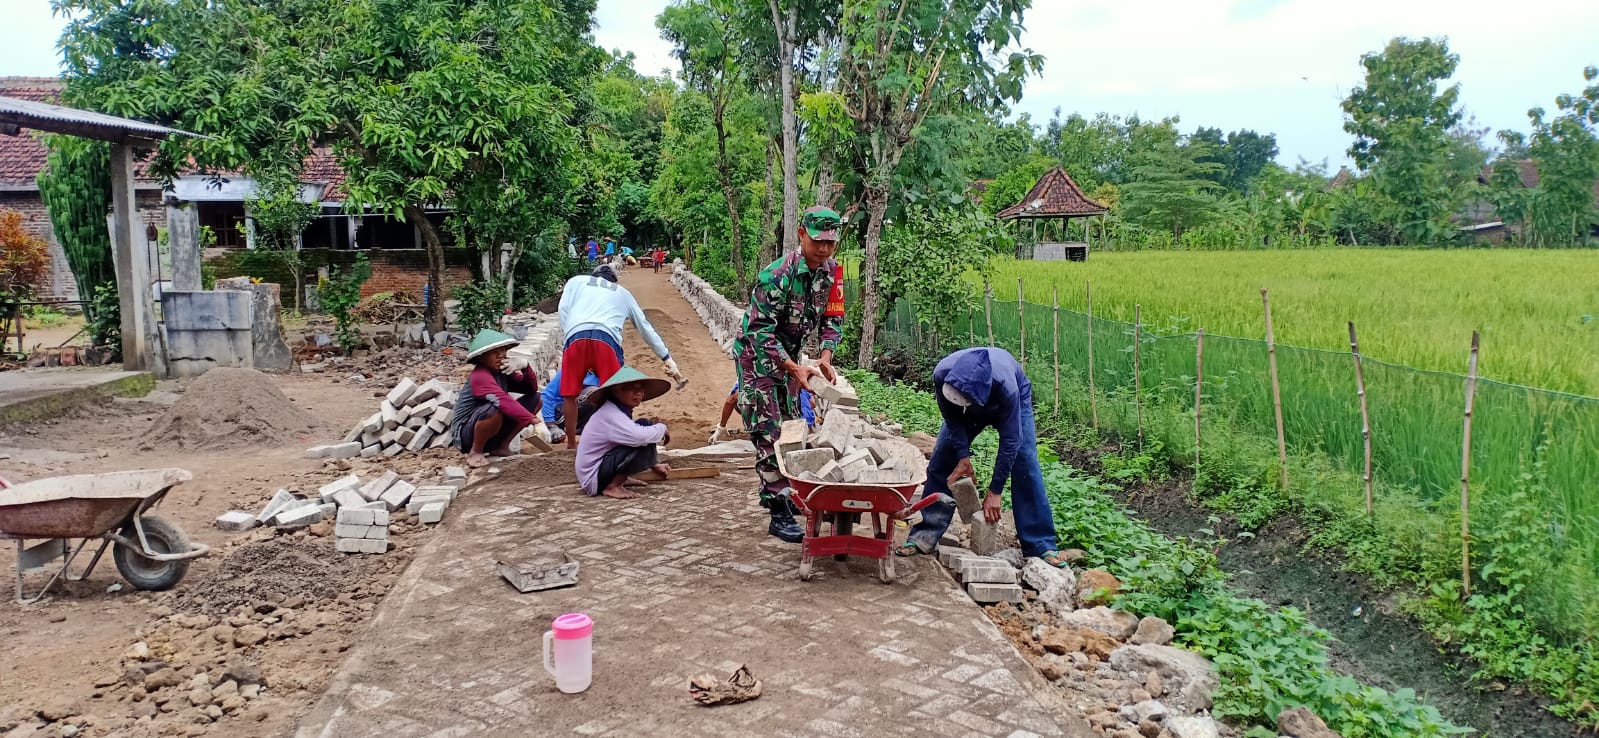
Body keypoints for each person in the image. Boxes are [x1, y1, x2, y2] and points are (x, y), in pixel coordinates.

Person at [896, 346, 1073, 567]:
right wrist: (962, 456)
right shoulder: (942, 374)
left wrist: (995, 491)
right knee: (943, 458)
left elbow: (1011, 441)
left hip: (1011, 399)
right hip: (968, 404)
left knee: (1025, 463)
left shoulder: (1007, 389)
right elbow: (952, 418)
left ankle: (1040, 544)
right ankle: (925, 535)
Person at [733, 205, 846, 543]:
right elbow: (758, 331)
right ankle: (777, 508)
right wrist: (794, 368)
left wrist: (825, 356)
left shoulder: (832, 273)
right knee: (768, 429)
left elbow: (833, 317)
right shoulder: (777, 275)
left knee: (793, 425)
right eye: (817, 241)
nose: (824, 249)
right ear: (801, 235)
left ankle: (787, 493)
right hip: (757, 358)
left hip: (791, 359)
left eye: (830, 243)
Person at [557, 263, 683, 448]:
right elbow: (645, 327)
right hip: (606, 340)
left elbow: (563, 309)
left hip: (575, 336)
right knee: (619, 392)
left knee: (569, 395)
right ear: (614, 281)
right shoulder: (623, 293)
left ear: (594, 276)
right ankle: (621, 439)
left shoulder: (576, 282)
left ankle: (571, 444)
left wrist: (569, 335)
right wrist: (666, 357)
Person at [575, 367, 673, 499]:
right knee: (641, 437)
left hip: (599, 470)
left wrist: (654, 464)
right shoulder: (610, 414)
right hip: (594, 478)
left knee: (644, 424)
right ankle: (613, 486)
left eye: (641, 389)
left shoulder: (615, 410)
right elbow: (639, 437)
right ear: (616, 391)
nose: (638, 393)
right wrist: (662, 428)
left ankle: (619, 478)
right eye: (632, 388)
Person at [450, 330, 539, 468]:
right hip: (466, 434)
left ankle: (501, 446)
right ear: (481, 357)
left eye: (503, 351)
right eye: (494, 353)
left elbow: (530, 389)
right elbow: (502, 400)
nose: (501, 356)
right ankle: (476, 451)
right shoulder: (480, 375)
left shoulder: (502, 372)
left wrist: (525, 367)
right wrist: (535, 421)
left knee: (536, 399)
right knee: (495, 407)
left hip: (491, 428)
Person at [711, 382, 814, 443]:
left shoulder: (749, 380)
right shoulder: (794, 376)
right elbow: (812, 403)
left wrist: (721, 427)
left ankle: (761, 430)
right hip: (806, 423)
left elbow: (731, 400)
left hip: (788, 424)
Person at [536, 369, 600, 444]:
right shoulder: (573, 369)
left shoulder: (606, 371)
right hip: (561, 413)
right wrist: (551, 426)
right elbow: (547, 396)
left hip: (586, 415)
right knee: (592, 393)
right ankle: (573, 434)